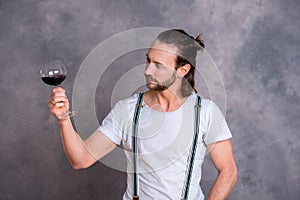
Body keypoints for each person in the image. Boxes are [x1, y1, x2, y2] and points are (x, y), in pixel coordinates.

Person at [48, 29, 238, 200]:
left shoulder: (205, 113)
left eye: (158, 65)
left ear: (182, 70)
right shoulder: (128, 111)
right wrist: (64, 119)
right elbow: (81, 159)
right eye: (148, 60)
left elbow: (228, 171)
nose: (147, 70)